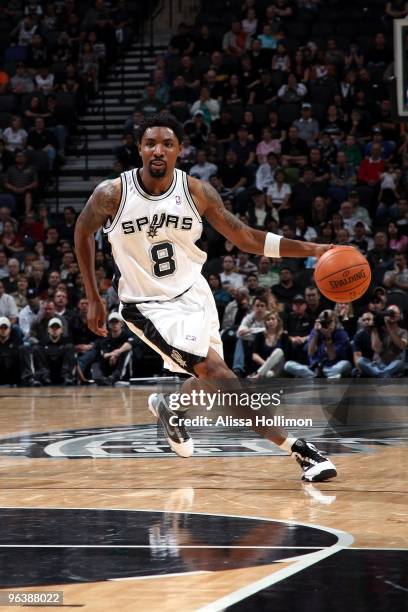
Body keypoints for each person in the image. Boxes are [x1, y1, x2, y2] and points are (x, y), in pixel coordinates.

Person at [75, 113, 337, 482]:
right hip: (149, 307)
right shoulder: (112, 194)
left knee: (205, 379)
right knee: (217, 373)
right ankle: (300, 450)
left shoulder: (196, 191)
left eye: (168, 143)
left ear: (180, 150)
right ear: (140, 149)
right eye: (151, 143)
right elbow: (82, 232)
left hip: (195, 293)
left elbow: (245, 237)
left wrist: (316, 249)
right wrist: (93, 296)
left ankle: (172, 410)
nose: (158, 150)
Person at [356, 305, 407, 378]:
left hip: (393, 365)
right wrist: (374, 327)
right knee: (360, 360)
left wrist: (388, 326)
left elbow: (402, 345)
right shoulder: (379, 330)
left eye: (394, 313)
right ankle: (383, 375)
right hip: (378, 365)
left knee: (400, 363)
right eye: (389, 312)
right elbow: (377, 349)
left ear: (399, 316)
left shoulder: (403, 332)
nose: (391, 315)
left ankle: (379, 375)